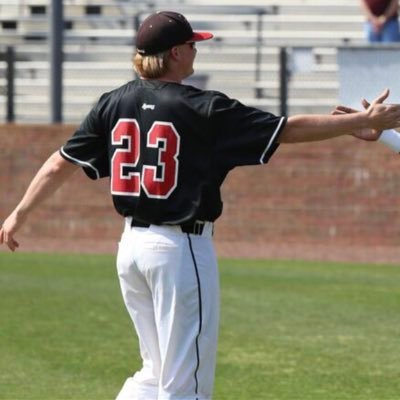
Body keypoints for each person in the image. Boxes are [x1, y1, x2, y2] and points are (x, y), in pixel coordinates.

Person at [2, 10, 400, 400]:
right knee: (185, 387)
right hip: (179, 249)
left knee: (153, 374)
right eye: (192, 44)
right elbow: (287, 129)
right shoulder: (202, 107)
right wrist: (361, 121)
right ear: (175, 53)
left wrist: (19, 214)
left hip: (131, 250)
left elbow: (59, 163)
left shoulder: (112, 102)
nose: (196, 50)